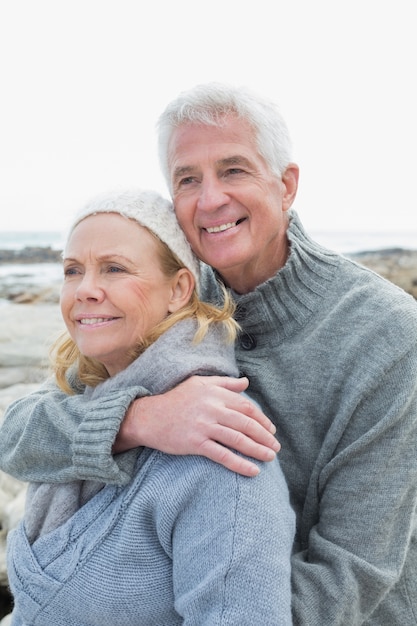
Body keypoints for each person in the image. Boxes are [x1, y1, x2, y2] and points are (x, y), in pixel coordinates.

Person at [1, 83, 417, 623]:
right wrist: (137, 420)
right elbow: (21, 430)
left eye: (234, 170)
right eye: (188, 179)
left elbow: (356, 566)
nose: (210, 198)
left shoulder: (387, 333)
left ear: (286, 185)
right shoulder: (171, 300)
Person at [5, 189, 295, 626]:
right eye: (72, 270)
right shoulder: (83, 384)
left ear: (179, 288)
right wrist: (134, 419)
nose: (85, 290)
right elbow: (12, 436)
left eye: (114, 268)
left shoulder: (221, 450)